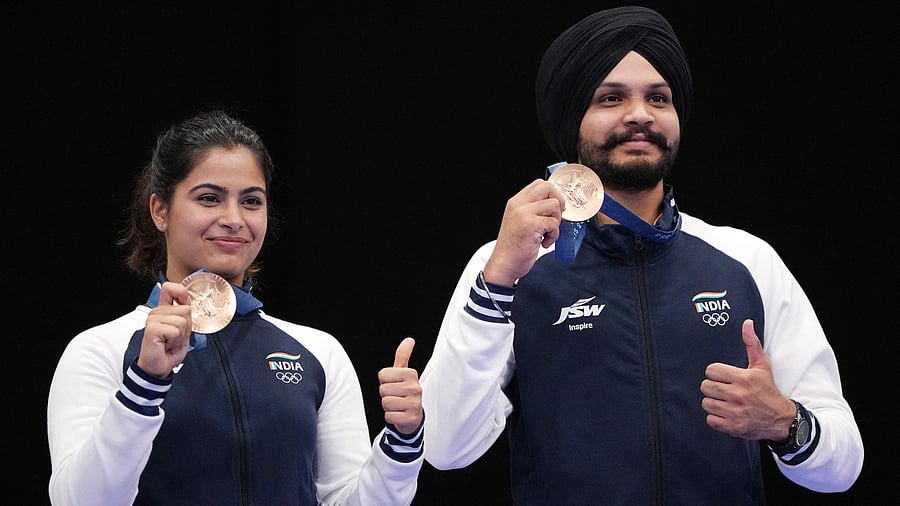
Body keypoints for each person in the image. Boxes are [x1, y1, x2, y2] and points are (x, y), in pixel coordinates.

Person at [419, 6, 863, 504]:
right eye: (610, 98)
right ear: (572, 121)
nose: (640, 114)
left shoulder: (745, 259)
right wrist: (497, 281)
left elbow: (840, 468)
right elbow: (444, 448)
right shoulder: (509, 264)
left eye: (658, 97)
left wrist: (786, 423)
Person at [47, 109, 425, 505]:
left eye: (251, 201)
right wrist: (145, 383)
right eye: (209, 198)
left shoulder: (319, 351)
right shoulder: (100, 350)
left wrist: (402, 444)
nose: (233, 219)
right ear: (160, 210)